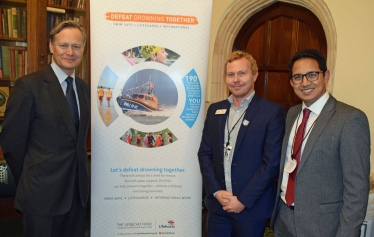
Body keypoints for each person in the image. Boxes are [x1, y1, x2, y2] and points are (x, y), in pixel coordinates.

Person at [0, 20, 90, 237]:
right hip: (41, 196)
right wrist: (33, 180)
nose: (70, 52)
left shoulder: (83, 88)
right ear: (51, 46)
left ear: (83, 50)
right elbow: (12, 144)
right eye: (63, 45)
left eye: (76, 46)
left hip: (77, 195)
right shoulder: (28, 86)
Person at [270, 49, 371, 237]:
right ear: (291, 82)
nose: (305, 82)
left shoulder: (350, 119)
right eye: (298, 77)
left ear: (326, 76)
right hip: (284, 221)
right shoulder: (292, 114)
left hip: (323, 227)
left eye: (312, 75)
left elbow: (357, 188)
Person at [198, 50, 285, 237]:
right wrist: (216, 191)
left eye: (242, 73)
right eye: (231, 74)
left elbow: (271, 164)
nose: (236, 79)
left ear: (254, 75)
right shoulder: (215, 110)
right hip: (218, 207)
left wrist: (242, 200)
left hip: (251, 209)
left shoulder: (271, 113)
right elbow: (205, 155)